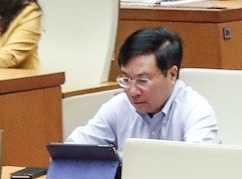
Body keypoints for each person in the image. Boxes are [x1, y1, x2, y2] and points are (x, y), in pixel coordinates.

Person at [61, 26, 218, 149]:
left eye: (142, 80)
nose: (132, 91)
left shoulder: (195, 111)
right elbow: (73, 151)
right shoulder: (119, 105)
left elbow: (199, 168)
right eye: (126, 79)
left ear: (172, 75)